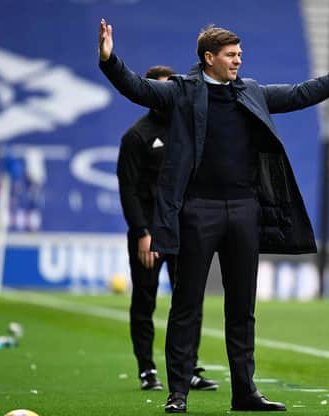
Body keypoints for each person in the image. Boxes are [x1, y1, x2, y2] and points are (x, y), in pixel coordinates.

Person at [99, 20, 329, 413]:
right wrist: (109, 59)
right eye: (231, 55)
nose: (238, 60)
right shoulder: (182, 91)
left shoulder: (250, 92)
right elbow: (136, 87)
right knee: (186, 305)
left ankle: (244, 392)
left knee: (242, 308)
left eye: (239, 54)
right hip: (197, 210)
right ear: (209, 58)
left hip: (244, 210)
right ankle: (178, 392)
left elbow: (302, 94)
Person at [116, 65, 218, 393]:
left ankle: (188, 367)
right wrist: (143, 232)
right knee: (145, 300)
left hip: (184, 230)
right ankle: (146, 368)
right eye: (159, 90)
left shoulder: (187, 130)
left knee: (189, 300)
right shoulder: (137, 136)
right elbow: (128, 190)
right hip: (149, 233)